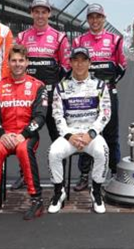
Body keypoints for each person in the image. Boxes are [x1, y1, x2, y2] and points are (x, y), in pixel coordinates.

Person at [0, 44, 49, 221]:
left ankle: (37, 200)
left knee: (23, 150)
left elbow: (40, 117)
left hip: (26, 135)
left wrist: (22, 135)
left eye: (21, 60)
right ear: (8, 63)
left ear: (27, 63)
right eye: (14, 60)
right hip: (4, 134)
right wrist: (2, 134)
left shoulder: (38, 86)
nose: (17, 64)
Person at [47, 47, 111, 215]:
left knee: (103, 151)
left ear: (90, 63)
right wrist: (69, 135)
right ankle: (58, 192)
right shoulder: (61, 87)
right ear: (70, 63)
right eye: (76, 60)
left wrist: (90, 135)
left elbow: (105, 115)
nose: (80, 63)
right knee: (53, 152)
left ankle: (96, 191)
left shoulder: (100, 86)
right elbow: (57, 115)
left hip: (91, 135)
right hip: (70, 134)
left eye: (83, 60)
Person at [72, 4, 126, 189]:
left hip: (108, 92)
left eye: (98, 17)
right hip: (85, 93)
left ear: (104, 18)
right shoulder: (79, 40)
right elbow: (74, 67)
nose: (95, 21)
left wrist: (106, 84)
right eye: (91, 17)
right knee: (86, 132)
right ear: (87, 20)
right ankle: (84, 174)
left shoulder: (115, 40)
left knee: (111, 134)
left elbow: (122, 66)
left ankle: (113, 172)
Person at [15, 0, 71, 142]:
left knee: (58, 137)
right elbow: (16, 65)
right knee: (26, 137)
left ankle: (59, 165)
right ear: (32, 13)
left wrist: (54, 85)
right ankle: (28, 165)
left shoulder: (59, 37)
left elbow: (66, 66)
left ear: (49, 14)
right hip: (29, 97)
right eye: (37, 12)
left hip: (52, 96)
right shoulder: (22, 37)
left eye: (43, 12)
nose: (40, 15)